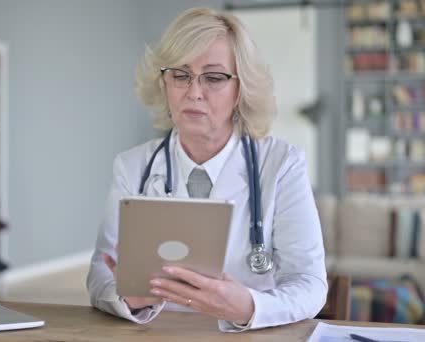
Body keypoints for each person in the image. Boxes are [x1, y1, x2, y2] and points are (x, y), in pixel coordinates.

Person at [87, 7, 327, 332]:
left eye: (214, 77)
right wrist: (130, 298)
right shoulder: (133, 167)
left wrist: (249, 307)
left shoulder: (282, 165)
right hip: (159, 335)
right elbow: (101, 273)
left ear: (240, 89)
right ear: (164, 83)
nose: (194, 92)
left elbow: (310, 284)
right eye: (180, 75)